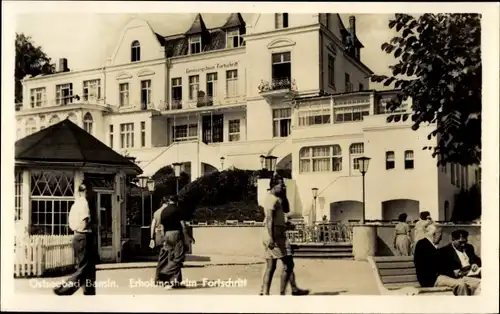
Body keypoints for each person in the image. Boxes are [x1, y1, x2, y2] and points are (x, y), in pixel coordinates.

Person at [259, 174, 309, 296]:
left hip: (276, 233)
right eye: (281, 185)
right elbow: (270, 219)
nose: (283, 187)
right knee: (288, 263)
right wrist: (272, 238)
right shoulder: (271, 199)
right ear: (274, 185)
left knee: (273, 265)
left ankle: (266, 293)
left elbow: (284, 211)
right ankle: (282, 293)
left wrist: (286, 225)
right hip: (274, 235)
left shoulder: (276, 198)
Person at [53, 182, 97, 295]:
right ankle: (63, 289)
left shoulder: (75, 204)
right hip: (84, 236)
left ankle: (90, 293)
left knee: (90, 269)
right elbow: (84, 223)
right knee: (84, 268)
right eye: (88, 191)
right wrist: (92, 226)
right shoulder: (84, 203)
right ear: (84, 192)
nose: (91, 194)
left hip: (77, 236)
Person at [414, 224, 476, 295]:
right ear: (434, 234)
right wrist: (452, 273)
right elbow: (433, 267)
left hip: (440, 277)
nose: (441, 238)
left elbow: (439, 265)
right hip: (432, 280)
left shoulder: (430, 245)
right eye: (440, 235)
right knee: (461, 284)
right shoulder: (422, 244)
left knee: (475, 283)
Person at [158, 195, 195, 289]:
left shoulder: (164, 211)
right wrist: (189, 236)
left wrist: (164, 238)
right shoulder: (177, 210)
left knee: (171, 257)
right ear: (177, 201)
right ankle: (165, 272)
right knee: (179, 258)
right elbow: (183, 226)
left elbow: (161, 227)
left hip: (167, 235)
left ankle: (175, 282)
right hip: (176, 234)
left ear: (168, 200)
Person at [436, 230, 481, 295]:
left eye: (465, 242)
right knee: (470, 285)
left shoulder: (469, 247)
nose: (463, 245)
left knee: (482, 283)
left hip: (472, 275)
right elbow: (441, 270)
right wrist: (453, 273)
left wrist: (475, 264)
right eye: (460, 242)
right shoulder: (444, 251)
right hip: (458, 278)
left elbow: (477, 259)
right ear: (453, 239)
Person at [149, 196, 169, 286]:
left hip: (157, 236)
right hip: (165, 235)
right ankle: (160, 278)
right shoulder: (167, 212)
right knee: (165, 258)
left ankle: (160, 278)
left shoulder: (156, 212)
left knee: (162, 256)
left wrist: (152, 238)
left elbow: (152, 226)